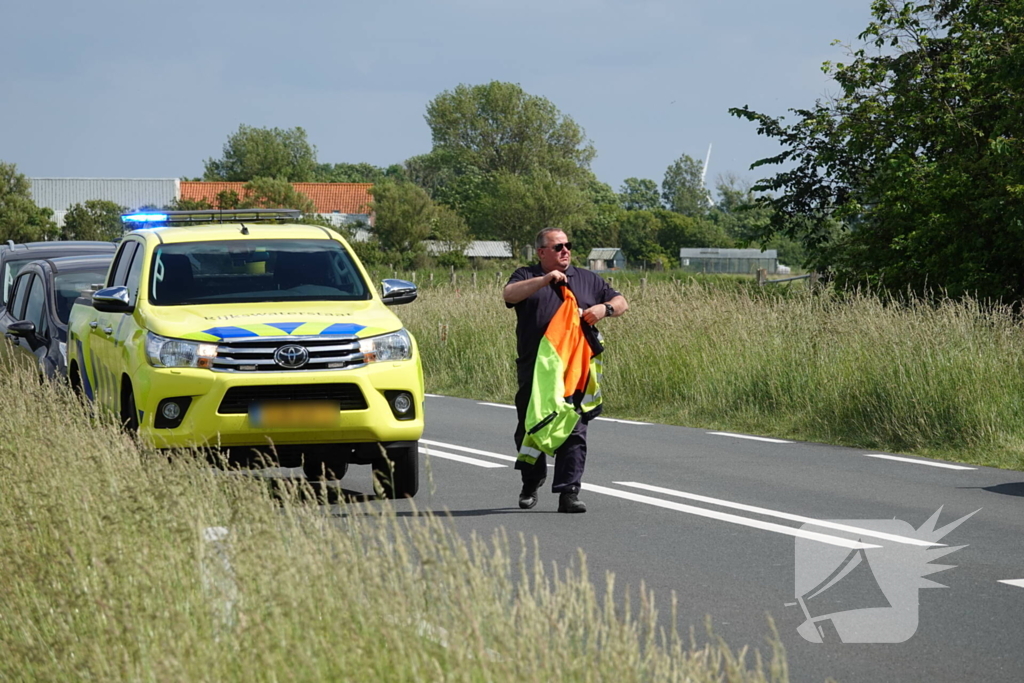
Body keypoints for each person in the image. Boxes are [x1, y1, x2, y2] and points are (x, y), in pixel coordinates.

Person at [502, 228, 628, 513]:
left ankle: (569, 492)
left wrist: (605, 309)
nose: (565, 250)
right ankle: (532, 480)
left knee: (574, 428)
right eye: (558, 246)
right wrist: (545, 280)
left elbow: (622, 302)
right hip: (536, 370)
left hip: (576, 371)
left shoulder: (587, 278)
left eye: (567, 245)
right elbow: (509, 295)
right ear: (541, 252)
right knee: (531, 427)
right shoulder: (526, 275)